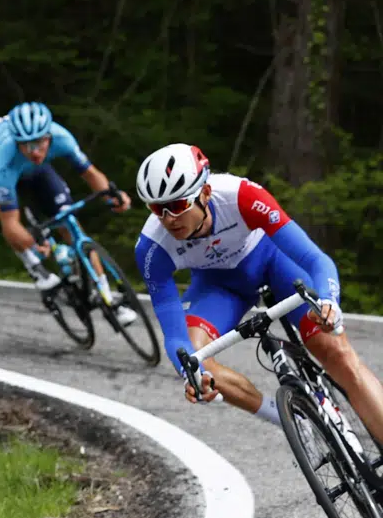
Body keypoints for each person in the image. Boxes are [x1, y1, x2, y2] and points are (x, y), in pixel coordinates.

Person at [133, 143, 383, 443]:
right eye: (157, 208)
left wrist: (328, 301)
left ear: (205, 193)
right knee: (195, 360)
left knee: (337, 353)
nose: (168, 218)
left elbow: (316, 260)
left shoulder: (241, 196)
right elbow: (174, 337)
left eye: (177, 205)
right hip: (221, 287)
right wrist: (192, 375)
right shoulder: (152, 248)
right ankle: (289, 420)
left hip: (273, 263)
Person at [0, 101, 137, 324]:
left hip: (38, 172)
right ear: (17, 143)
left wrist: (113, 195)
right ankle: (35, 269)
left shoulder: (62, 138)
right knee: (10, 220)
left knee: (70, 223)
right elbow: (10, 221)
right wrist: (27, 240)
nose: (34, 151)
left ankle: (107, 299)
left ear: (49, 137)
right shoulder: (5, 159)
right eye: (27, 145)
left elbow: (90, 173)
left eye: (40, 143)